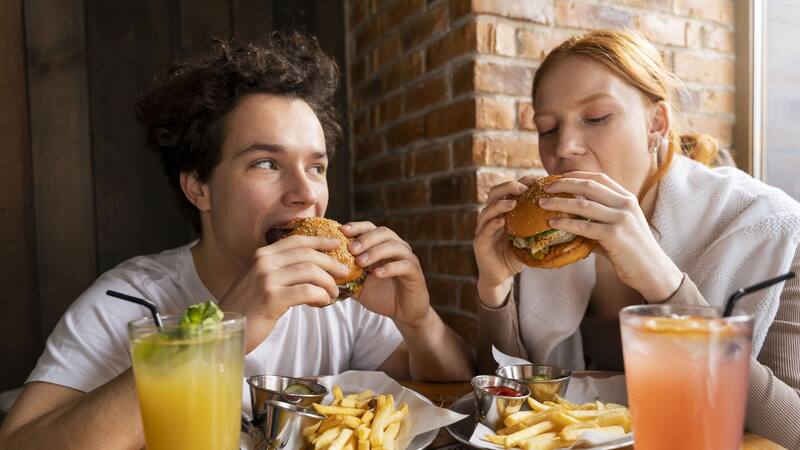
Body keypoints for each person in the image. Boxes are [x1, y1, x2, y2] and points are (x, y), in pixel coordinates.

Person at [0, 32, 473, 449]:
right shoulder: (127, 301)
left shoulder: (341, 297)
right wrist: (225, 332)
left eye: (316, 167)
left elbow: (451, 390)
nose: (306, 193)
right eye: (266, 163)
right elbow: (21, 442)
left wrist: (416, 320)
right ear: (199, 188)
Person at [474, 29, 800, 447]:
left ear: (655, 123)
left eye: (596, 118)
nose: (564, 147)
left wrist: (665, 285)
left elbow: (792, 430)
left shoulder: (773, 227)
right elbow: (505, 409)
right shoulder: (545, 240)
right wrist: (494, 289)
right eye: (548, 128)